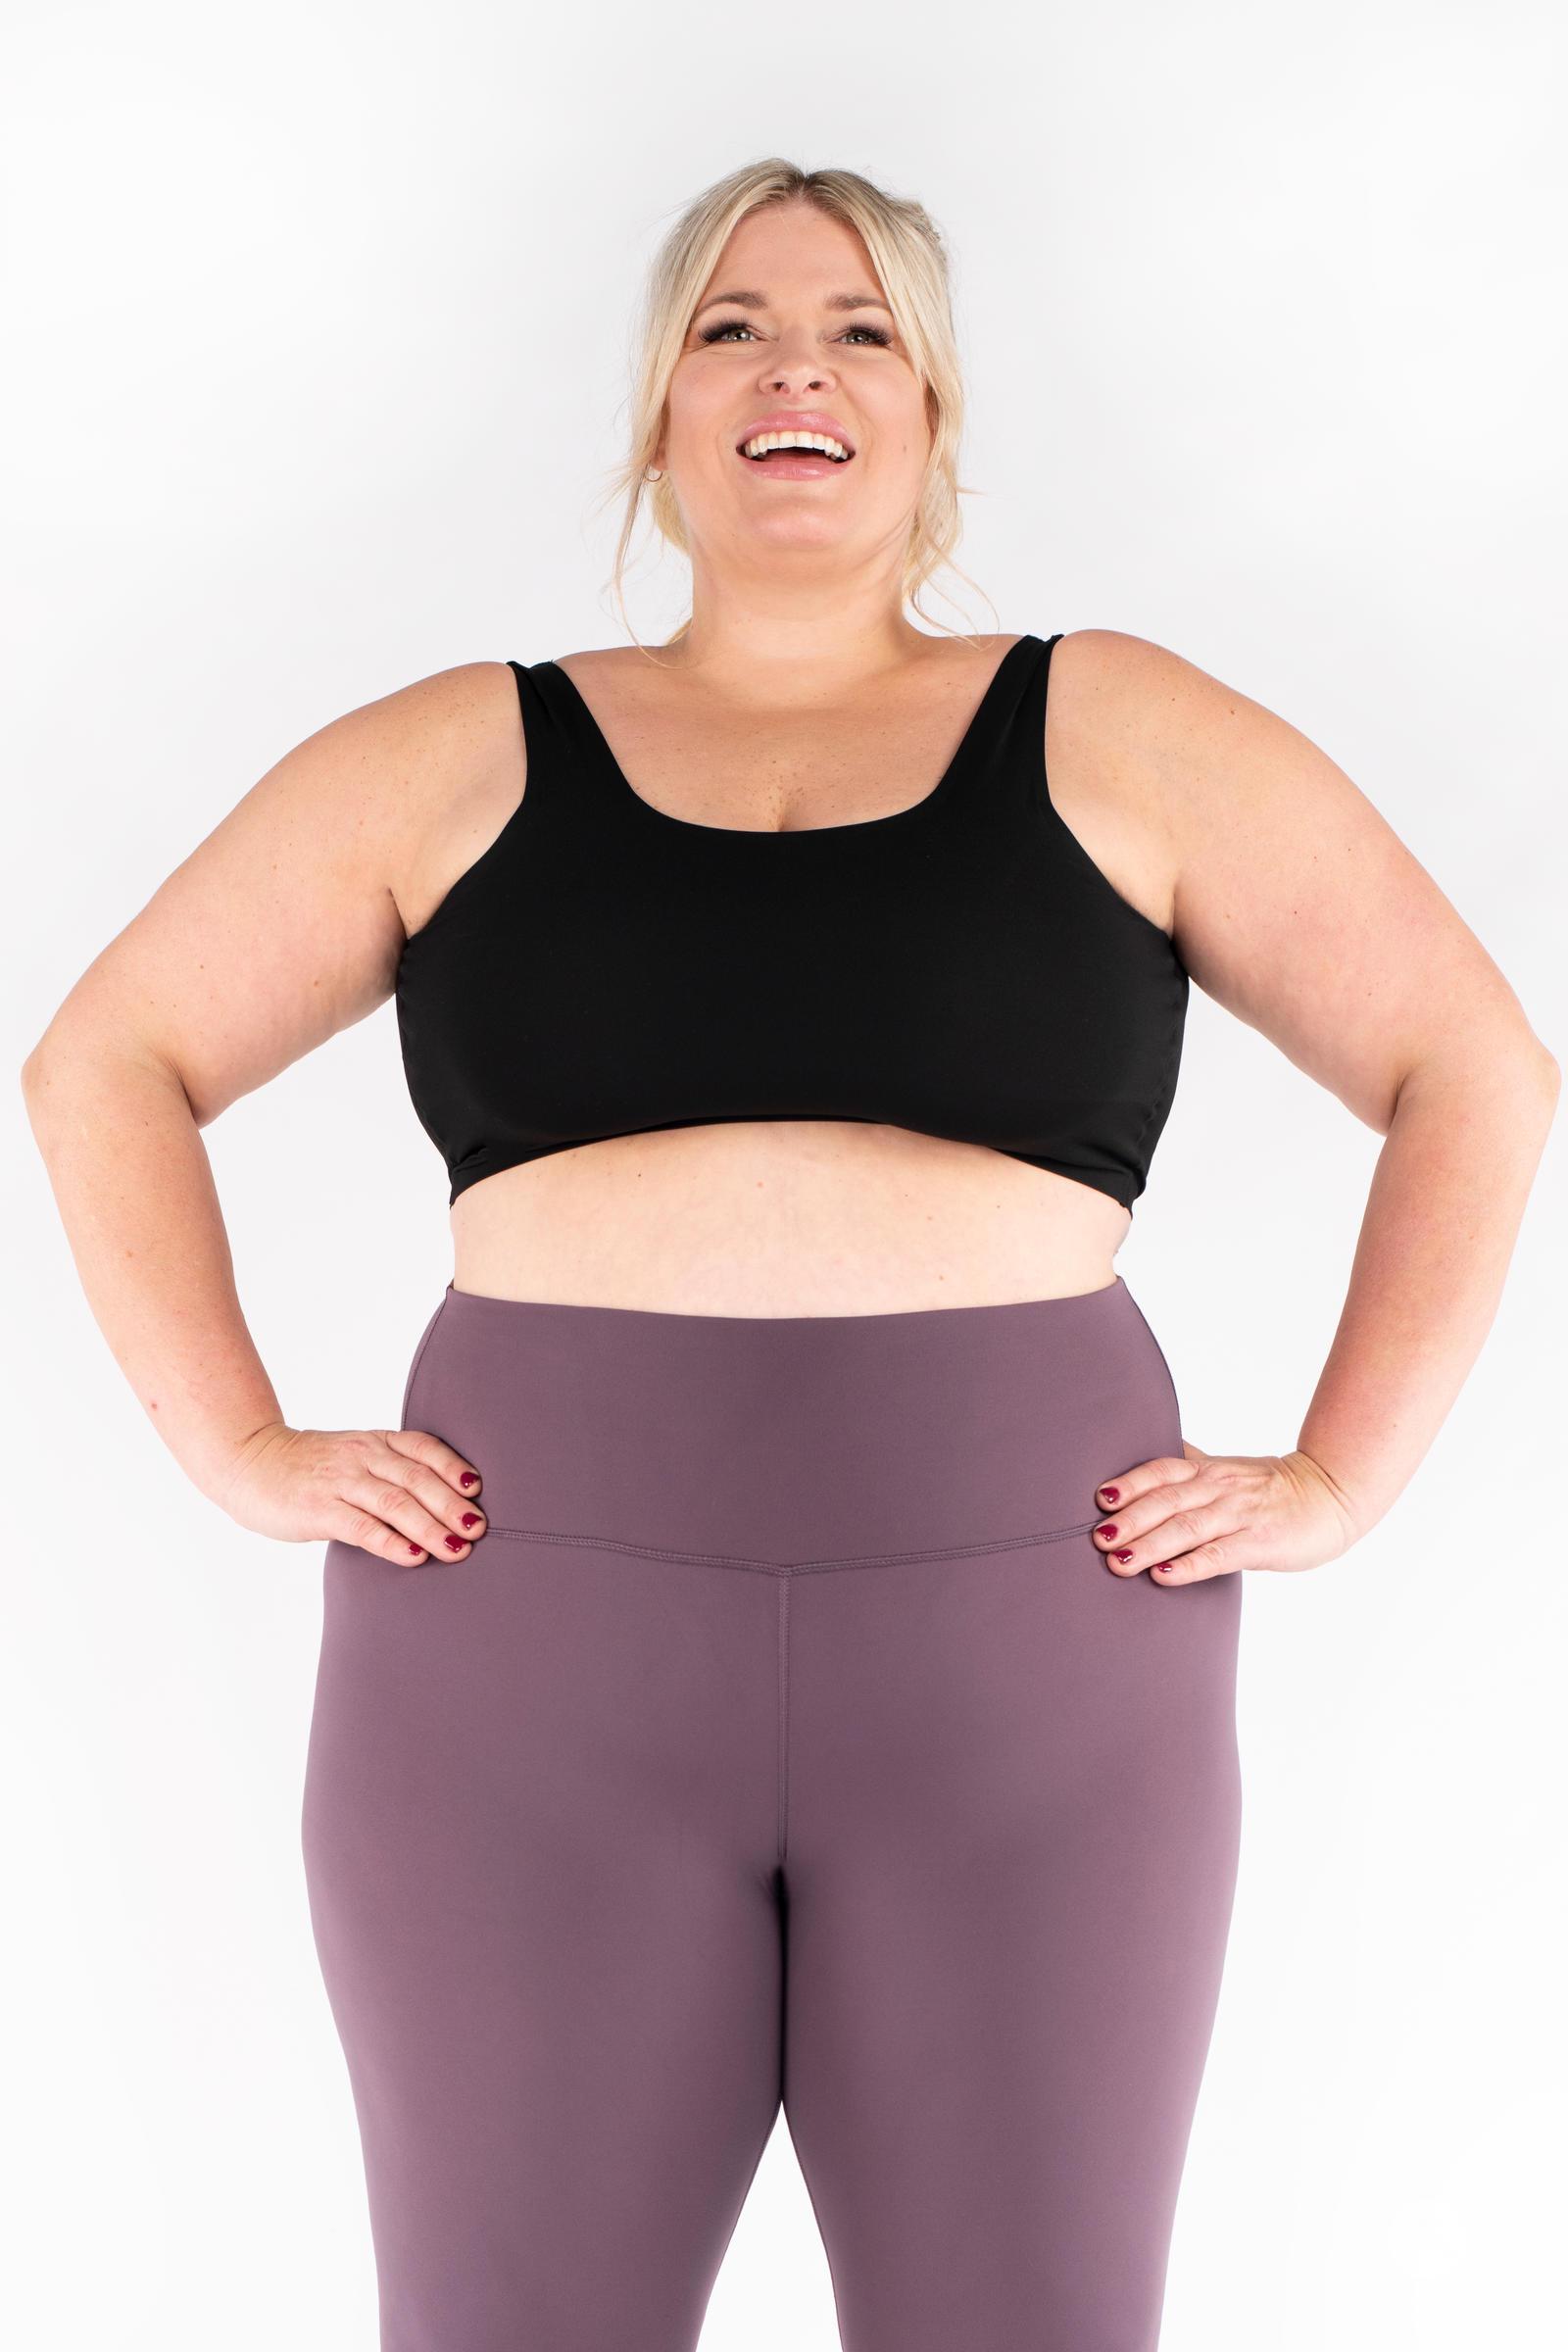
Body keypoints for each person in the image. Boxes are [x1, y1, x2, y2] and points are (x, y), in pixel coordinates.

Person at [20, 156, 1559, 2352]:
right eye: (730, 330)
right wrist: (238, 1445)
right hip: (524, 1661)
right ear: (660, 409)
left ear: (933, 410)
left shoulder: (1115, 725)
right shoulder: (460, 752)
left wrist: (1339, 1476)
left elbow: (1469, 1062)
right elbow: (109, 1058)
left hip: (1031, 1663)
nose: (793, 373)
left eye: (858, 331)